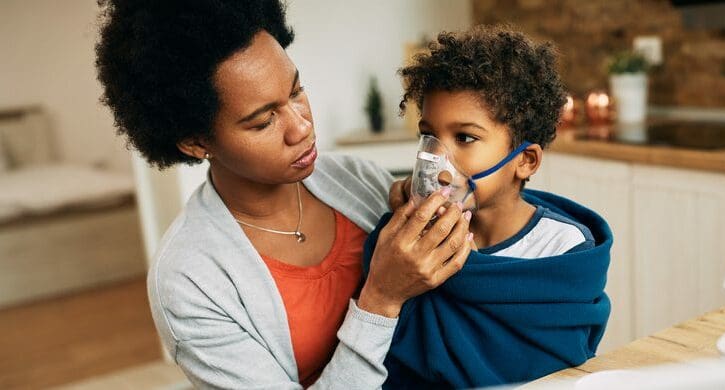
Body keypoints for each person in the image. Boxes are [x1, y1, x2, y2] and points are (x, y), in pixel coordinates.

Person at [94, 0, 473, 388]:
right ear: (195, 142)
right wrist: (381, 299)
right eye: (263, 121)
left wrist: (453, 210)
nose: (301, 127)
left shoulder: (354, 178)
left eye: (296, 91)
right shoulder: (189, 280)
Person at [362, 26, 613, 388]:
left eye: (465, 138)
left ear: (525, 161)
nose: (436, 159)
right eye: (428, 135)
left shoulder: (563, 251)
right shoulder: (410, 241)